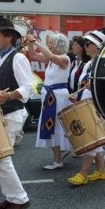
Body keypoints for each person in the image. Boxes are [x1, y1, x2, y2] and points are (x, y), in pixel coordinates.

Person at [0, 17, 32, 209]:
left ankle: (20, 199)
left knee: (2, 159)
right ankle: (11, 196)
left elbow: (27, 87)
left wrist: (9, 95)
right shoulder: (2, 58)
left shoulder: (18, 58)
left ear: (9, 37)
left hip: (12, 114)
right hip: (4, 114)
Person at [67, 30, 105, 186]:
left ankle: (83, 173)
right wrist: (77, 96)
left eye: (88, 44)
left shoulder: (102, 62)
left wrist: (94, 86)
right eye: (85, 44)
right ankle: (102, 171)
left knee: (91, 139)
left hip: (96, 105)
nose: (85, 47)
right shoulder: (91, 63)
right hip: (87, 103)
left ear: (97, 46)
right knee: (94, 138)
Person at [27, 32, 71, 170]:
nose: (49, 45)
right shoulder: (52, 60)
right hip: (51, 96)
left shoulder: (64, 59)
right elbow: (33, 55)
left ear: (58, 44)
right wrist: (29, 42)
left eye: (51, 43)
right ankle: (59, 157)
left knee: (56, 127)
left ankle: (58, 159)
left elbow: (51, 56)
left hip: (58, 96)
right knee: (52, 127)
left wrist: (35, 42)